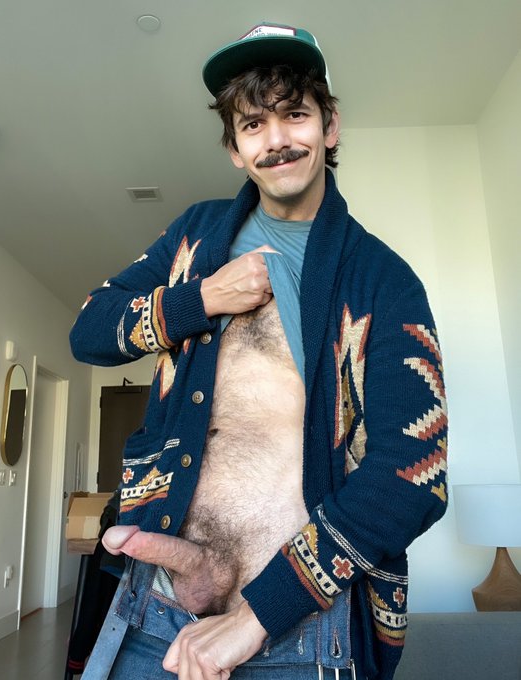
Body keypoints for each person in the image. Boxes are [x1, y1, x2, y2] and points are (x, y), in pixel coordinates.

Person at [70, 22, 448, 680]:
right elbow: (90, 329)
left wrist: (255, 616)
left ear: (330, 127)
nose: (276, 140)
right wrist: (200, 298)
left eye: (294, 115)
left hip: (300, 635)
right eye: (252, 124)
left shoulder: (383, 280)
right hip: (155, 610)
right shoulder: (195, 236)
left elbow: (413, 475)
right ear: (235, 150)